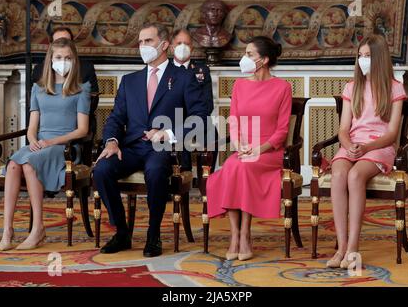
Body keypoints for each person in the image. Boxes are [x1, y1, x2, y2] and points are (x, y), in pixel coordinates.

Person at [93, 22, 208, 257]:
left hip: (166, 146)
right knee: (102, 169)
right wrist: (112, 141)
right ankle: (122, 232)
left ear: (164, 45)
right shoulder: (129, 81)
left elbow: (200, 117)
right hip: (132, 147)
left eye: (148, 41)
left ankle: (153, 234)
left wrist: (169, 133)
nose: (142, 46)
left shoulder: (184, 78)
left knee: (155, 170)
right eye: (140, 42)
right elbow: (116, 117)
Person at [0, 38, 91, 251]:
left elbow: (82, 130)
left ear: (74, 60)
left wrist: (51, 142)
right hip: (39, 144)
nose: (63, 62)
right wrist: (33, 142)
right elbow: (32, 127)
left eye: (68, 58)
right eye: (59, 57)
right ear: (51, 60)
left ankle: (38, 228)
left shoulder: (81, 89)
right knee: (13, 164)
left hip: (64, 147)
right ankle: (8, 230)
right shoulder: (38, 89)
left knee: (29, 164)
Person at [206, 36, 291, 261]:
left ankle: (245, 234)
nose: (244, 59)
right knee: (233, 166)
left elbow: (282, 131)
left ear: (263, 60)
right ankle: (235, 234)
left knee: (241, 168)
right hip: (243, 149)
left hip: (269, 152)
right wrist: (238, 144)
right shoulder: (239, 85)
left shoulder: (282, 87)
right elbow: (233, 121)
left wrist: (258, 150)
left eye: (249, 54)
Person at [326, 34, 407, 269]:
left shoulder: (395, 88)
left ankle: (353, 248)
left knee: (355, 175)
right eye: (360, 56)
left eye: (368, 56)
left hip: (379, 147)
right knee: (339, 174)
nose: (362, 60)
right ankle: (340, 248)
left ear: (379, 59)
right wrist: (349, 145)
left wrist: (367, 148)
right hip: (353, 145)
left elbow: (392, 134)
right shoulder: (352, 87)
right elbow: (343, 129)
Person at [170, 28, 218, 171]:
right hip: (173, 121)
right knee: (180, 136)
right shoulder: (165, 70)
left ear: (192, 47)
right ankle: (183, 178)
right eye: (179, 43)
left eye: (186, 43)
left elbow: (208, 103)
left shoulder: (201, 70)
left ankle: (207, 179)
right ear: (172, 47)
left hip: (198, 120)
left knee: (212, 134)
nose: (183, 47)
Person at [32, 26, 99, 96]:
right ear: (50, 46)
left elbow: (93, 99)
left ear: (72, 44)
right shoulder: (39, 70)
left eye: (67, 42)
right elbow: (34, 98)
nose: (63, 46)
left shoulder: (87, 68)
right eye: (58, 42)